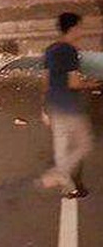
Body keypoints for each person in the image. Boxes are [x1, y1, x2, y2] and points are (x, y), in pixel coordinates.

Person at [39, 12, 99, 198]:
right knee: (84, 144)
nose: (82, 31)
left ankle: (69, 188)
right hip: (70, 105)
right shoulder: (70, 51)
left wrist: (43, 107)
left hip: (54, 104)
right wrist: (93, 84)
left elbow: (46, 80)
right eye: (80, 27)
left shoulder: (50, 49)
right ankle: (58, 174)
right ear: (72, 28)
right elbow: (74, 83)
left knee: (62, 147)